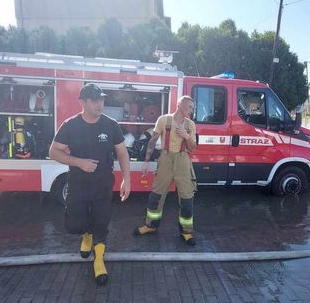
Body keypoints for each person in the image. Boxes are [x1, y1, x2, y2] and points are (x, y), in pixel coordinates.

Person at [49, 83, 131, 285]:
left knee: (101, 224)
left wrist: (126, 180)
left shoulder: (111, 125)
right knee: (73, 225)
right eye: (94, 100)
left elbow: (122, 152)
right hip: (77, 186)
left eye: (102, 100)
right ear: (82, 102)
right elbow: (54, 151)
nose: (99, 104)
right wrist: (79, 163)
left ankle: (99, 260)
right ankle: (85, 235)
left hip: (103, 185)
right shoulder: (70, 125)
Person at [133, 96, 198, 246]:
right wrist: (146, 162)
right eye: (189, 107)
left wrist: (186, 136)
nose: (191, 110)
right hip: (165, 159)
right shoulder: (164, 120)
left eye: (192, 108)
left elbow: (193, 148)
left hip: (183, 161)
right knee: (156, 195)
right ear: (179, 105)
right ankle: (150, 226)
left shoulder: (191, 125)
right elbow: (153, 141)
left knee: (187, 199)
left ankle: (186, 232)